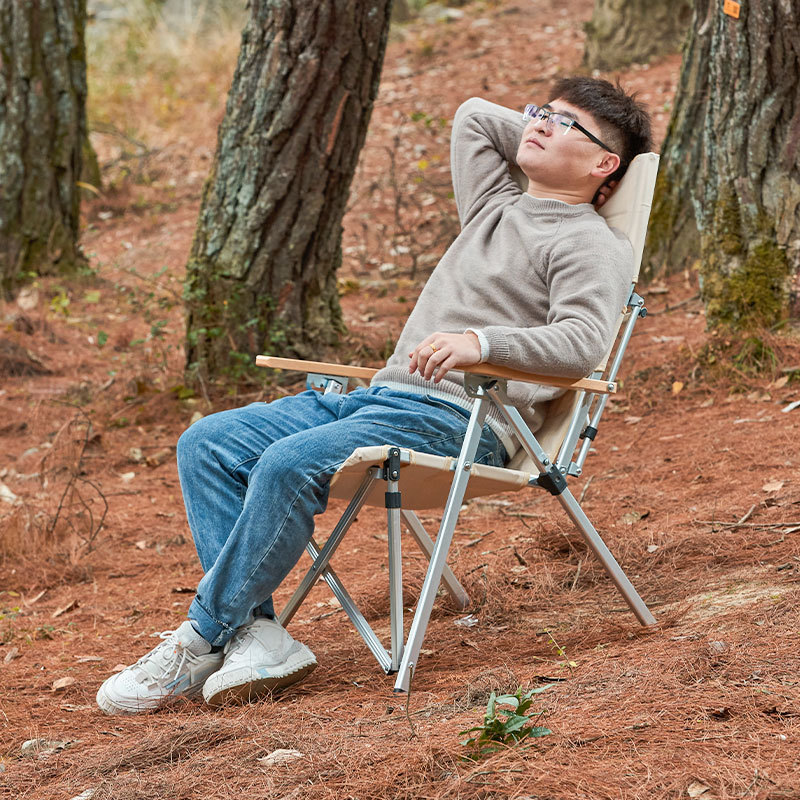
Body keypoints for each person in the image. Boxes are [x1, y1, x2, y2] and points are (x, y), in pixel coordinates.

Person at [96, 76, 652, 714]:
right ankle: (256, 634)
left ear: (604, 162)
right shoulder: (494, 205)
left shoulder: (591, 243)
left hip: (462, 418)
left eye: (566, 124)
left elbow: (582, 342)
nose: (540, 124)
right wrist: (554, 133)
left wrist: (481, 341)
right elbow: (473, 116)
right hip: (374, 399)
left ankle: (199, 640)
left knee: (288, 462)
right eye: (539, 113)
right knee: (209, 442)